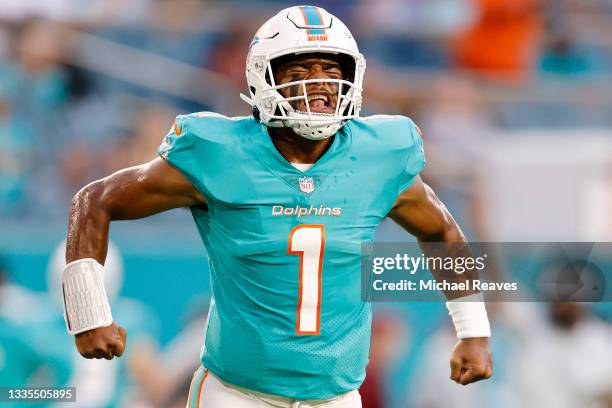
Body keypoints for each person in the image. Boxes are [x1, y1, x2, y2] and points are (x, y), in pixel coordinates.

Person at [62, 6, 493, 407]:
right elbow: (95, 200)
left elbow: (440, 231)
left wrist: (473, 330)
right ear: (262, 78)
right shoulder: (219, 152)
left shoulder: (379, 153)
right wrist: (88, 314)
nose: (319, 82)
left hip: (337, 397)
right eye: (300, 69)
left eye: (330, 69)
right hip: (236, 394)